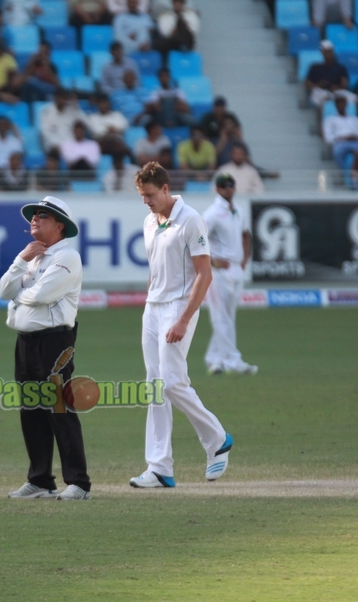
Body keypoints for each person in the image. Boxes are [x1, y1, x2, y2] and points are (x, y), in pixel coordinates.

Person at [130, 162, 232, 488]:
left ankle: (217, 438)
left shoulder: (190, 220)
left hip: (179, 307)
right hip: (154, 308)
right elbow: (156, 269)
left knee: (172, 382)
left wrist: (183, 319)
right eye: (141, 196)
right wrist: (150, 303)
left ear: (164, 189)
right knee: (154, 386)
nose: (146, 201)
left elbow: (205, 274)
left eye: (149, 195)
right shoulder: (149, 221)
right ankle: (159, 467)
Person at [0, 196, 91, 500]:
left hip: (55, 342)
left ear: (60, 226)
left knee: (59, 409)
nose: (34, 220)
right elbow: (2, 291)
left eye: (43, 216)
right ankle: (40, 480)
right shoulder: (32, 256)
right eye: (34, 216)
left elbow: (40, 295)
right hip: (25, 341)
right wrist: (20, 261)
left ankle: (78, 482)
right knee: (31, 411)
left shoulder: (68, 257)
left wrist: (19, 292)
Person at [202, 173, 256, 375]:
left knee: (228, 317)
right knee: (220, 317)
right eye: (224, 186)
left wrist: (243, 260)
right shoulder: (212, 213)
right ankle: (234, 361)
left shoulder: (238, 211)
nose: (228, 189)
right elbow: (194, 240)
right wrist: (211, 261)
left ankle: (214, 360)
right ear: (217, 189)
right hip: (217, 271)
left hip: (235, 269)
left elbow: (246, 234)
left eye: (231, 185)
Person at [305, 40, 356, 108]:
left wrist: (338, 87)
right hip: (320, 91)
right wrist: (318, 85)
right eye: (326, 52)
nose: (328, 54)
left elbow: (345, 84)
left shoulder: (340, 67)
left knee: (355, 99)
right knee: (322, 99)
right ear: (322, 53)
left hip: (336, 92)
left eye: (330, 51)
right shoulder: (315, 67)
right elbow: (307, 84)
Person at [323, 94, 358, 169]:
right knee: (337, 152)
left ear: (346, 104)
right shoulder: (330, 120)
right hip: (340, 142)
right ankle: (345, 173)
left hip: (354, 141)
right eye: (339, 103)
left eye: (343, 103)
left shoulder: (354, 119)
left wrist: (355, 136)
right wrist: (342, 138)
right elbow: (328, 138)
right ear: (336, 105)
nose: (342, 105)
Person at [38, 88, 86, 155]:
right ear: (56, 98)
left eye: (65, 98)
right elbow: (45, 133)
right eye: (61, 98)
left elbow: (84, 124)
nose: (63, 101)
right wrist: (59, 145)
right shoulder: (47, 112)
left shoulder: (72, 110)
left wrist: (76, 107)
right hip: (54, 146)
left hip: (71, 145)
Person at [86, 92, 130, 159]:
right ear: (97, 105)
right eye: (101, 103)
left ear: (109, 104)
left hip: (116, 141)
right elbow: (96, 131)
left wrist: (115, 130)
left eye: (105, 103)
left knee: (120, 147)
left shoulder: (117, 115)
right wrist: (109, 130)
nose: (103, 105)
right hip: (101, 142)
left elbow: (125, 126)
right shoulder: (93, 118)